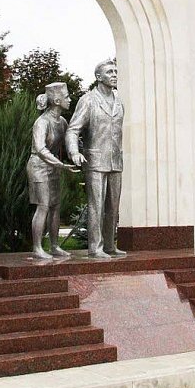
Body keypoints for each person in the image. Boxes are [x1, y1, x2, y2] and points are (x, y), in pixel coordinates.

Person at [65, 60, 127, 258]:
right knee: (96, 206)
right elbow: (73, 129)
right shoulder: (88, 100)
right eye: (110, 72)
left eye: (115, 71)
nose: (114, 74)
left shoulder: (119, 101)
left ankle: (109, 245)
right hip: (95, 161)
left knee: (113, 207)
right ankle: (95, 247)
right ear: (98, 77)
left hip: (115, 160)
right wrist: (74, 152)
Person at [27, 82, 78, 259]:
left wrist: (76, 155)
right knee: (43, 206)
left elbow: (68, 144)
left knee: (55, 206)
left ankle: (55, 246)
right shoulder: (42, 122)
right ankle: (37, 248)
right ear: (56, 100)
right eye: (67, 97)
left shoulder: (62, 122)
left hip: (53, 166)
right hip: (38, 166)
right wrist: (60, 164)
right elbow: (40, 149)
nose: (70, 100)